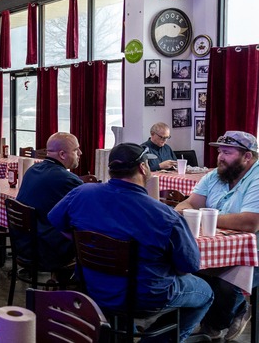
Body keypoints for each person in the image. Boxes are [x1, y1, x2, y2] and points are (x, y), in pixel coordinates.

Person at [48, 143, 213, 342]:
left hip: (92, 285)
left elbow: (55, 219)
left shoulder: (81, 193)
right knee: (206, 292)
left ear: (110, 170)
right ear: (143, 168)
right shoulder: (165, 216)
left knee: (123, 292)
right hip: (144, 296)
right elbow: (189, 265)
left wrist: (84, 244)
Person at [175, 131, 259, 340]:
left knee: (226, 283)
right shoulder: (216, 175)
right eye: (220, 151)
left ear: (247, 156)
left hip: (252, 248)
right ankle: (216, 316)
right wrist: (201, 214)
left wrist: (204, 217)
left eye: (227, 152)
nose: (220, 157)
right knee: (188, 266)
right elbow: (185, 205)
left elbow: (250, 222)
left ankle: (216, 325)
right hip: (219, 244)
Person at [12, 132, 83, 271]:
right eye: (76, 150)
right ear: (62, 154)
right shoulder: (67, 180)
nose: (80, 153)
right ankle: (78, 288)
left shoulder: (32, 170)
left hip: (22, 244)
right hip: (45, 251)